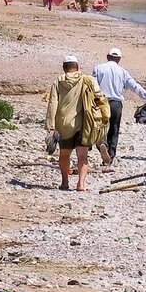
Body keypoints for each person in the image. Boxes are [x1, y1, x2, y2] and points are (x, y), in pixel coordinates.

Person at [45, 55, 105, 191]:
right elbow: (99, 97)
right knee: (83, 155)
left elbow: (52, 103)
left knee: (64, 154)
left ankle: (65, 182)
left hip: (63, 123)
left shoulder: (58, 81)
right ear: (77, 67)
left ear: (64, 68)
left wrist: (50, 125)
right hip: (84, 124)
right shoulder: (88, 80)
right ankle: (81, 184)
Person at [92, 47, 146, 167]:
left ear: (107, 56)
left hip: (101, 101)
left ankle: (102, 144)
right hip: (116, 103)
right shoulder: (122, 71)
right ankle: (110, 156)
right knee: (114, 129)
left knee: (100, 127)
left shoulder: (98, 68)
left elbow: (93, 86)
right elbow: (134, 86)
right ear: (119, 59)